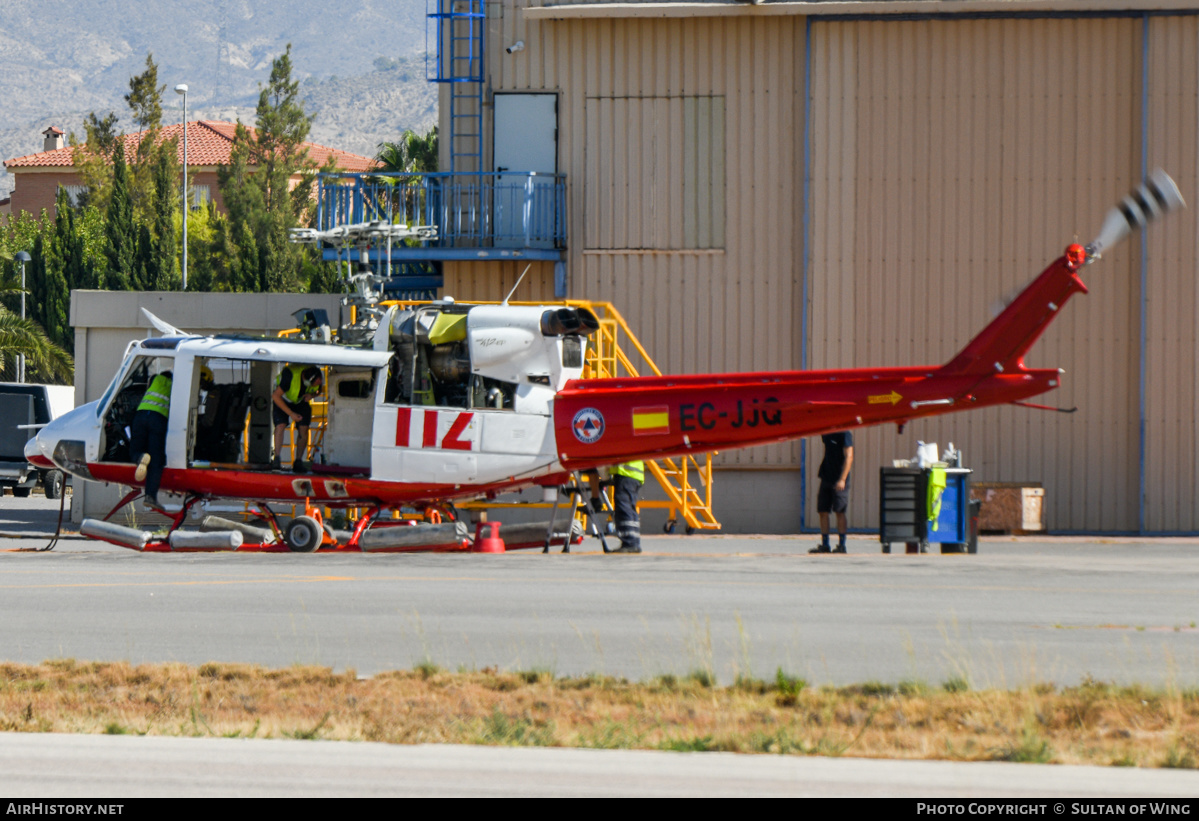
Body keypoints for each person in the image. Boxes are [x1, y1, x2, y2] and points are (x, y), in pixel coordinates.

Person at [131, 369, 172, 509]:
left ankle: (140, 457)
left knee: (134, 450)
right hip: (159, 419)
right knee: (156, 461)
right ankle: (150, 497)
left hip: (141, 415)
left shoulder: (155, 380)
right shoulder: (173, 384)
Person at [271, 365, 323, 473]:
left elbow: (318, 390)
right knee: (281, 425)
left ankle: (298, 461)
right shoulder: (289, 376)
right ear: (308, 380)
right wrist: (291, 414)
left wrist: (312, 395)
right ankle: (277, 458)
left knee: (304, 428)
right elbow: (275, 396)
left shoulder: (317, 377)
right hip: (282, 399)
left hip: (300, 400)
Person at [811, 430, 853, 554]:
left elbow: (849, 456)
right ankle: (825, 544)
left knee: (839, 511)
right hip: (826, 476)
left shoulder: (845, 433)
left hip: (839, 478)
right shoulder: (827, 432)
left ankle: (842, 545)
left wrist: (842, 479)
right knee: (823, 511)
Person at [591, 461, 644, 554]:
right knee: (631, 509)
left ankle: (629, 543)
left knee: (624, 508)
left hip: (625, 473)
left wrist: (605, 475)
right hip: (635, 475)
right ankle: (634, 542)